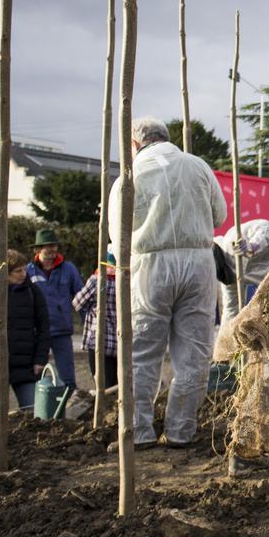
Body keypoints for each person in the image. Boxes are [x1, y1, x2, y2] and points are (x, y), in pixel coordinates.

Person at [109, 117, 227, 450]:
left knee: (142, 353)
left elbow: (117, 237)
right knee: (194, 353)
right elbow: (219, 216)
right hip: (198, 262)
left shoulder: (128, 178)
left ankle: (138, 430)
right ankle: (180, 430)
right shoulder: (198, 166)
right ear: (167, 138)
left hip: (149, 263)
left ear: (134, 144)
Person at [0, 250, 51, 411]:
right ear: (5, 273)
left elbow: (44, 328)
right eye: (18, 271)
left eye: (24, 270)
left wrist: (40, 359)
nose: (23, 274)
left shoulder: (33, 292)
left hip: (25, 364)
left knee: (32, 411)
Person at [26, 229, 83, 389]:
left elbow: (81, 297)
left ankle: (68, 407)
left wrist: (88, 326)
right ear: (38, 249)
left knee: (67, 377)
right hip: (37, 332)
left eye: (54, 245)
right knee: (37, 376)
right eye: (48, 246)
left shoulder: (68, 269)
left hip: (61, 330)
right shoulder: (29, 271)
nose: (52, 250)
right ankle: (39, 409)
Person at [217, 219, 269, 321]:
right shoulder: (226, 276)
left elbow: (268, 226)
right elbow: (231, 311)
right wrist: (224, 335)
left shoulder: (232, 239)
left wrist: (253, 246)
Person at [71, 254, 118, 389]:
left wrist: (92, 306)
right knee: (116, 383)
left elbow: (77, 303)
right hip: (120, 342)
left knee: (102, 384)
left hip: (99, 340)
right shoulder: (129, 279)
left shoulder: (97, 280)